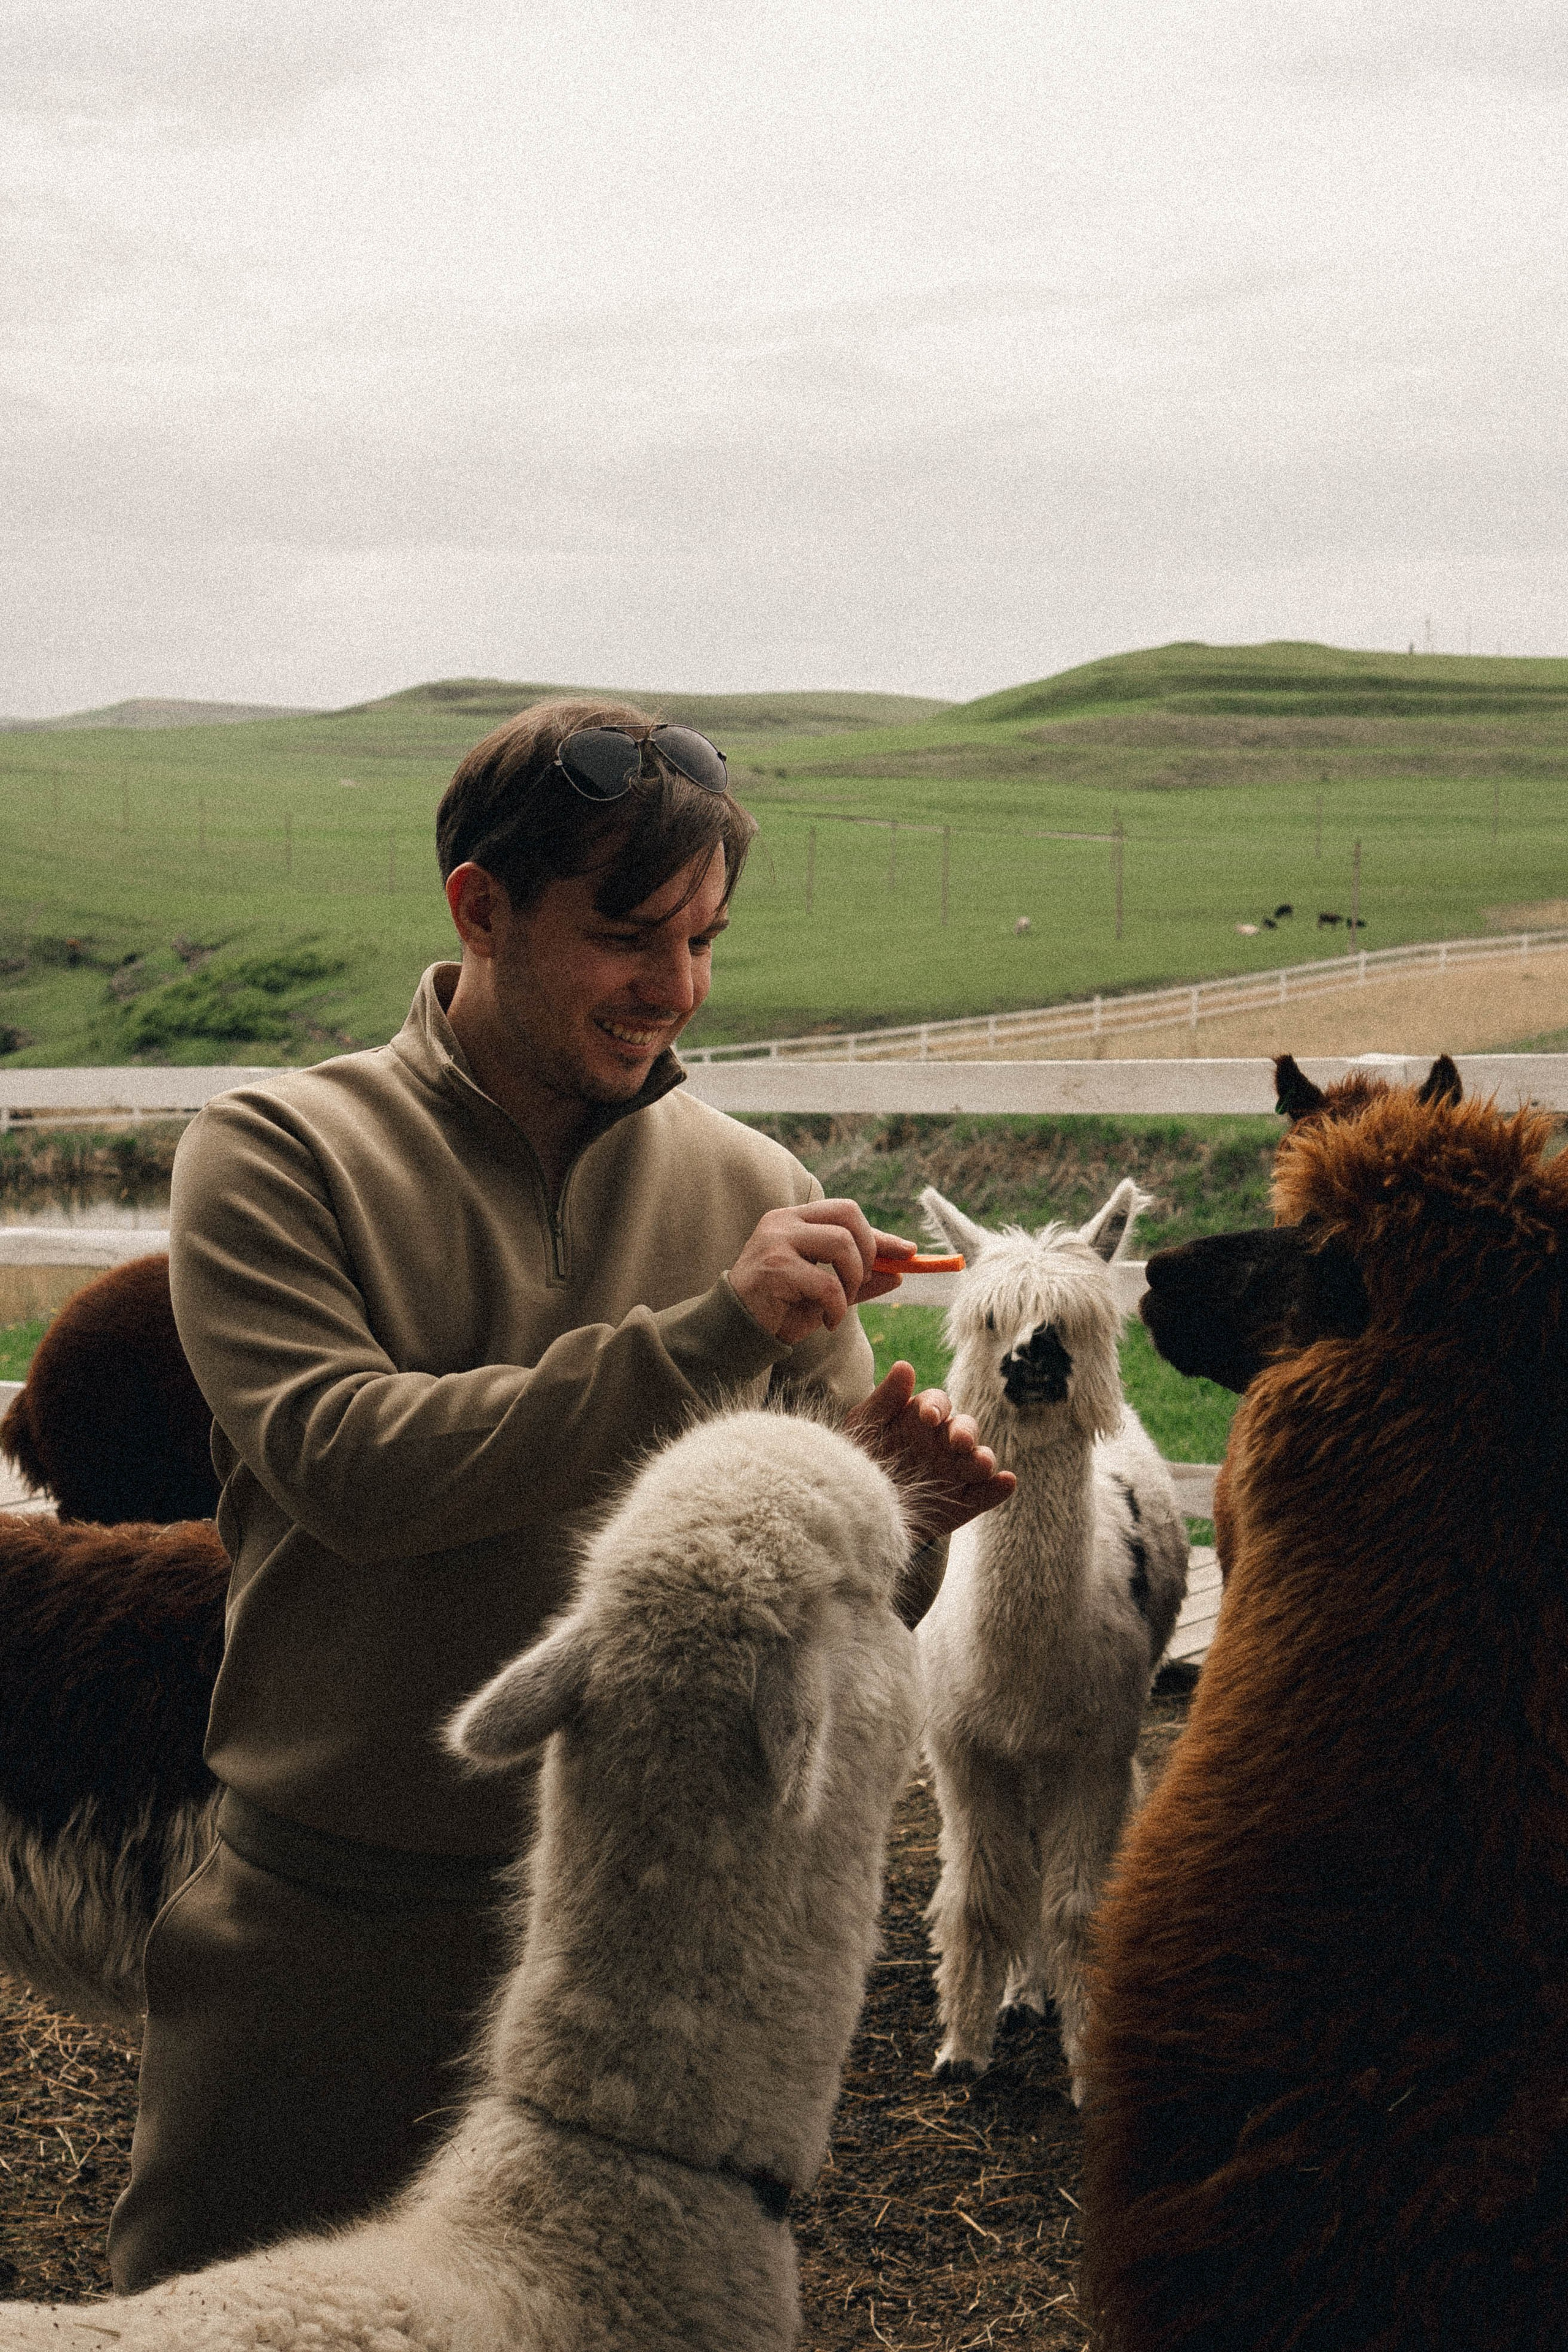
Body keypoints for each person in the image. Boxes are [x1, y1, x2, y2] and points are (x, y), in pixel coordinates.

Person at [107, 696, 1014, 2292]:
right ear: (480, 909)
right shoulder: (276, 1152)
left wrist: (899, 1515)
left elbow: (845, 1610)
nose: (676, 988)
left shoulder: (756, 1189)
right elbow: (352, 1467)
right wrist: (708, 1333)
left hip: (647, 1967)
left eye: (706, 941)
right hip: (328, 1943)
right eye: (627, 935)